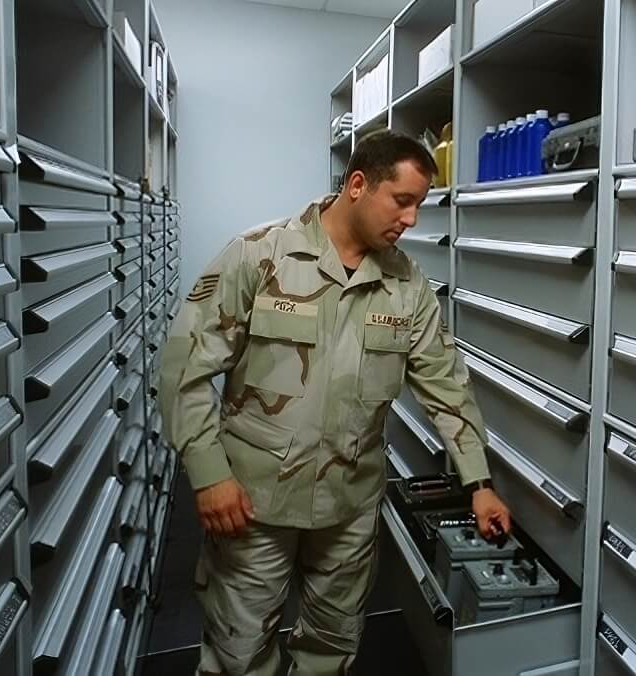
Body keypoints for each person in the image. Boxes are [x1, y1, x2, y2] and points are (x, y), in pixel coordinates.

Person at [159, 129, 512, 676]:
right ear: (357, 185)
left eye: (420, 205)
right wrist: (207, 474)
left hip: (348, 506)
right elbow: (185, 367)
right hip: (253, 503)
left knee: (332, 649)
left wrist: (479, 484)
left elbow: (444, 383)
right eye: (403, 200)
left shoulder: (405, 285)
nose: (412, 219)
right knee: (239, 652)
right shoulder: (261, 255)